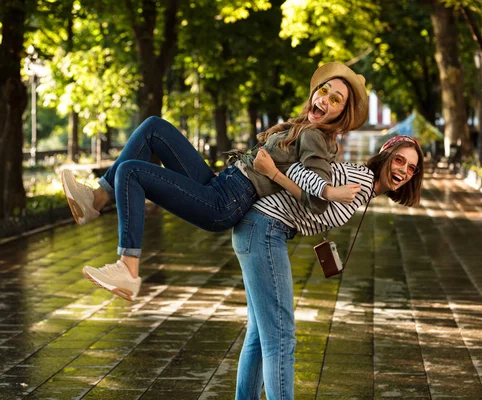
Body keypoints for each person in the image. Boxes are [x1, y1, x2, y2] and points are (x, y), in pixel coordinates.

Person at [60, 62, 369, 301]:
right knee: (153, 128)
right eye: (324, 91)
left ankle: (128, 268)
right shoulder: (302, 126)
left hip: (227, 201)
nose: (325, 99)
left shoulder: (316, 137)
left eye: (336, 99)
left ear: (341, 113)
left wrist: (274, 173)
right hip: (223, 183)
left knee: (131, 170)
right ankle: (97, 199)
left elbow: (317, 200)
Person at [232, 135, 424, 400]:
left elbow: (313, 192)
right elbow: (302, 170)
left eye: (411, 168)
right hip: (264, 228)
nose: (403, 170)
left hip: (260, 228)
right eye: (399, 160)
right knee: (281, 338)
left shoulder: (364, 189)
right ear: (385, 157)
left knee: (259, 333)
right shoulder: (357, 179)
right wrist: (277, 174)